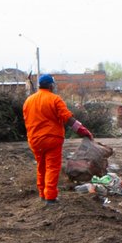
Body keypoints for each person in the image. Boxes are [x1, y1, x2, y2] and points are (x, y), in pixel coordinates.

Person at [23, 74, 93, 205]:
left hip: (34, 140)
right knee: (52, 167)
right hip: (52, 139)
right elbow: (68, 119)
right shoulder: (55, 99)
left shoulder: (29, 101)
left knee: (41, 167)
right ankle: (50, 197)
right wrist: (83, 130)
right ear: (51, 86)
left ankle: (42, 194)